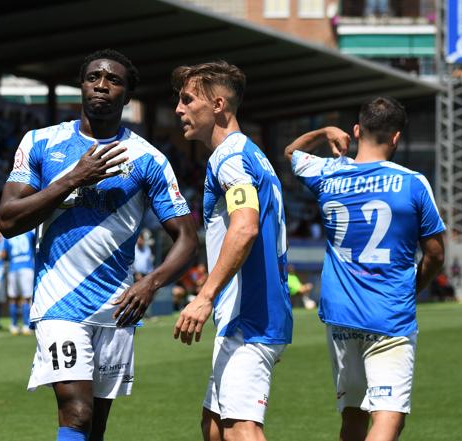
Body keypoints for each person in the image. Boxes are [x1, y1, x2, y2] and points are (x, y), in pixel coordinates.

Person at [0, 49, 198, 441]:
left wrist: (150, 283)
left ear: (127, 94)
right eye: (93, 77)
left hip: (117, 307)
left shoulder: (148, 158)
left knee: (96, 426)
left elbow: (187, 238)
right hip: (59, 305)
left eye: (114, 80)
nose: (102, 86)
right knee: (76, 412)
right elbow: (7, 220)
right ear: (82, 85)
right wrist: (73, 178)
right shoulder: (40, 142)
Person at [284, 96, 445, 441]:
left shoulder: (328, 171)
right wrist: (412, 288)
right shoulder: (413, 183)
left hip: (340, 315)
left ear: (356, 131)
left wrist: (325, 130)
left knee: (353, 416)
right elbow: (435, 255)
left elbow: (290, 152)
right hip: (389, 315)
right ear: (396, 138)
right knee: (388, 419)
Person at [171, 60, 292, 441]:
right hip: (244, 315)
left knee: (241, 429)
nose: (179, 109)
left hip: (251, 316)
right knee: (214, 427)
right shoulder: (248, 153)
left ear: (219, 105)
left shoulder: (231, 158)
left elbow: (245, 226)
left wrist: (204, 296)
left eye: (188, 100)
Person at [3, 228, 36, 335]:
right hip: (27, 267)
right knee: (26, 299)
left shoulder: (9, 235)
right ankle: (26, 326)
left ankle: (14, 326)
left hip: (13, 268)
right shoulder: (29, 233)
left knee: (13, 299)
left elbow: (4, 254)